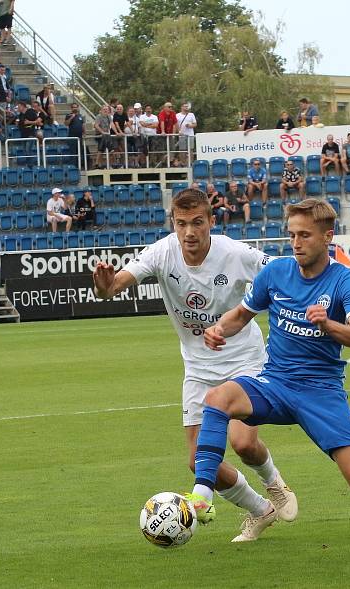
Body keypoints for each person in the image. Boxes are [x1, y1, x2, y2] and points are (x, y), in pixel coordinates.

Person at [186, 197, 350, 559]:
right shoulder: (276, 273)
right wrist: (219, 329)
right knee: (217, 398)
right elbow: (242, 313)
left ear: (327, 236)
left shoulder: (345, 281)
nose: (296, 243)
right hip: (275, 383)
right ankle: (201, 498)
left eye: (305, 235)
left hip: (321, 392)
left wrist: (328, 324)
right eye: (292, 235)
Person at [93, 189, 299, 543]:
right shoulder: (161, 252)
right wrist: (106, 287)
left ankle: (274, 482)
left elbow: (284, 272)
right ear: (173, 222)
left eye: (197, 223)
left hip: (244, 361)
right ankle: (260, 509)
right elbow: (116, 285)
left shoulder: (234, 254)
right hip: (198, 369)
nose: (189, 232)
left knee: (243, 443)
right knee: (197, 462)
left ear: (211, 222)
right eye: (181, 223)